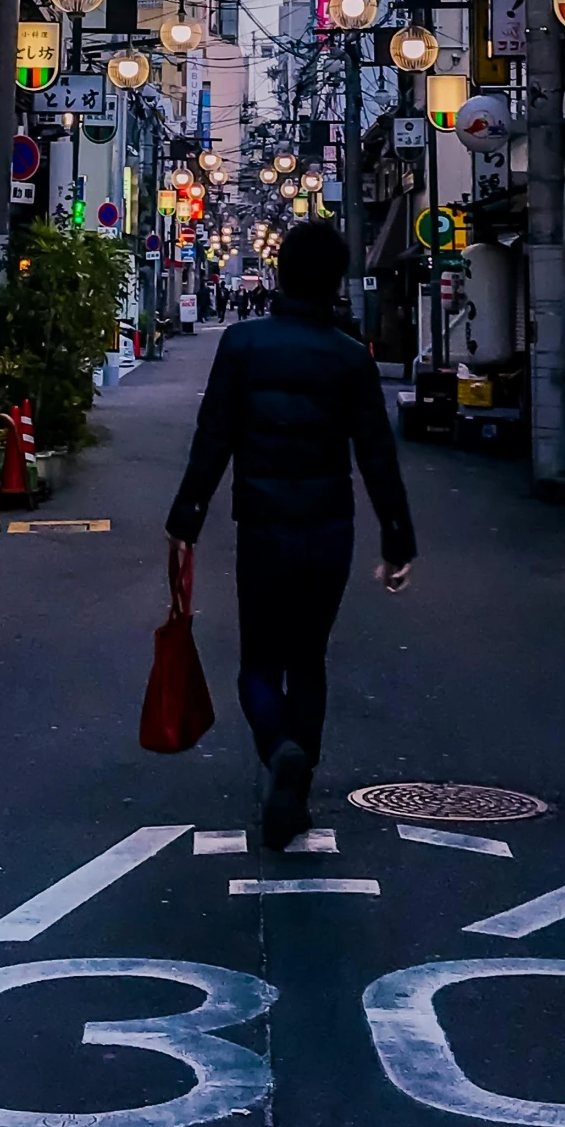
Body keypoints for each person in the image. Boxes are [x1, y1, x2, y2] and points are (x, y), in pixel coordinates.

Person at [165, 220, 416, 849]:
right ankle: (296, 789)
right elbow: (376, 454)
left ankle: (279, 749)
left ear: (279, 274)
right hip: (330, 526)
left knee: (259, 661)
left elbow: (213, 438)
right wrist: (398, 540)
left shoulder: (243, 346)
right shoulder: (350, 355)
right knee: (309, 660)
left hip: (264, 525)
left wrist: (185, 519)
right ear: (334, 282)